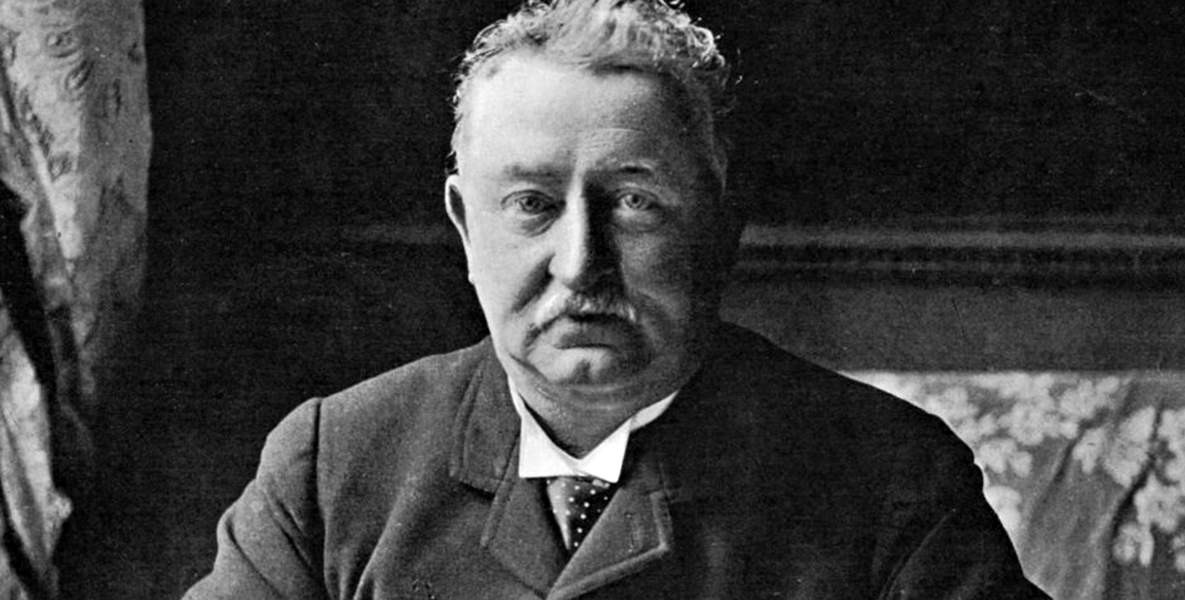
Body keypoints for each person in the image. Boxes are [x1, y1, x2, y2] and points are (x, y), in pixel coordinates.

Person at [185, 1, 1049, 598]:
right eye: (532, 204)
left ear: (721, 224)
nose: (580, 265)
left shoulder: (889, 483)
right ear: (465, 225)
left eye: (634, 202)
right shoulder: (334, 467)